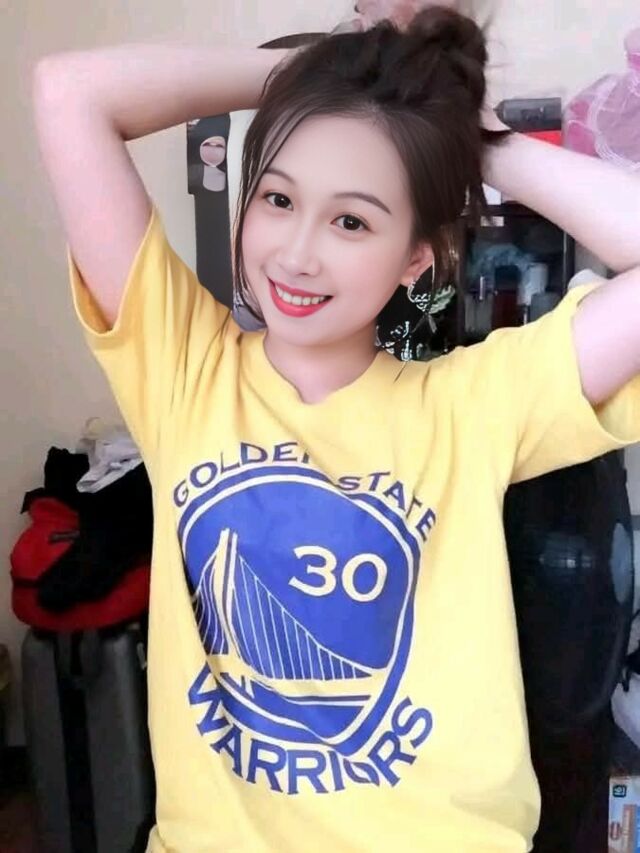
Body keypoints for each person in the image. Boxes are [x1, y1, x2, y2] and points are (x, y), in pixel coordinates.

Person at [31, 2, 640, 851]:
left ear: (418, 255)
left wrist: (465, 135)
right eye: (278, 198)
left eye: (352, 220)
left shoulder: (473, 406)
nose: (296, 252)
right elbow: (67, 93)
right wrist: (320, 73)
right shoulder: (182, 370)